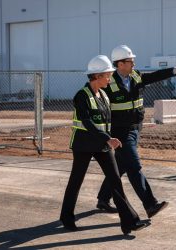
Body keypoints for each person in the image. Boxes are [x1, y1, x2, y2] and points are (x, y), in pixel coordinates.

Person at [96, 45, 176, 218]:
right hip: (119, 133)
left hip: (135, 129)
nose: (133, 63)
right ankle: (150, 205)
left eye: (133, 60)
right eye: (130, 61)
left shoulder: (136, 76)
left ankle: (103, 199)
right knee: (134, 166)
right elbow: (96, 103)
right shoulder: (107, 83)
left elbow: (156, 76)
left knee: (121, 165)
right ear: (119, 64)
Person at [60, 55, 149, 235]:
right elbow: (87, 122)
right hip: (84, 146)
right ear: (97, 76)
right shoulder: (81, 96)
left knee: (116, 182)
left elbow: (110, 121)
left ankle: (129, 222)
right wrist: (107, 138)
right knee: (75, 182)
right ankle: (67, 218)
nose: (110, 78)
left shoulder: (104, 96)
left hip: (102, 145)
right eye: (107, 75)